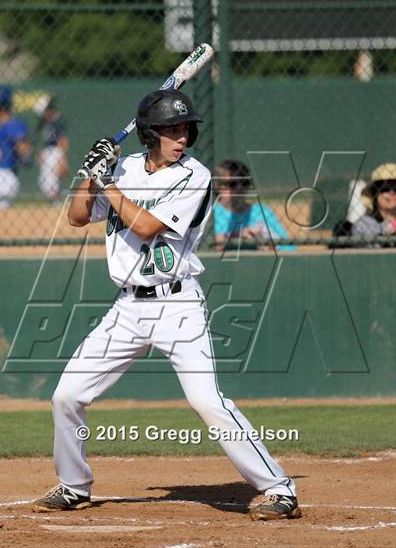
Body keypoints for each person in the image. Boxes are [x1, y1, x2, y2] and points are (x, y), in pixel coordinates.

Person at [32, 89, 301, 521]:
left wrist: (107, 181)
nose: (181, 138)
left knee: (207, 401)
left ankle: (279, 488)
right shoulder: (125, 168)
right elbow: (78, 216)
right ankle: (74, 484)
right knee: (66, 396)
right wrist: (89, 173)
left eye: (184, 130)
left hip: (178, 307)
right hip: (127, 308)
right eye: (170, 131)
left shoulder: (194, 176)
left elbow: (145, 225)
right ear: (148, 134)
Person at [213, 159, 293, 251]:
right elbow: (205, 246)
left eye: (244, 183)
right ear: (218, 186)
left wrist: (266, 243)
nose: (239, 188)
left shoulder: (261, 211)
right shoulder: (211, 213)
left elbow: (288, 247)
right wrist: (239, 236)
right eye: (232, 184)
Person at [34, 94, 69, 202]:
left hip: (55, 151)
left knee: (51, 180)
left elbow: (62, 140)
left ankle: (57, 201)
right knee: (44, 181)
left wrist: (62, 159)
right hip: (49, 151)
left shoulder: (57, 120)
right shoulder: (48, 121)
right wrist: (42, 153)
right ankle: (57, 200)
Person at [351, 163, 396, 246]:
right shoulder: (364, 224)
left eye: (395, 187)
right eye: (385, 187)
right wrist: (389, 231)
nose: (392, 192)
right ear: (375, 193)